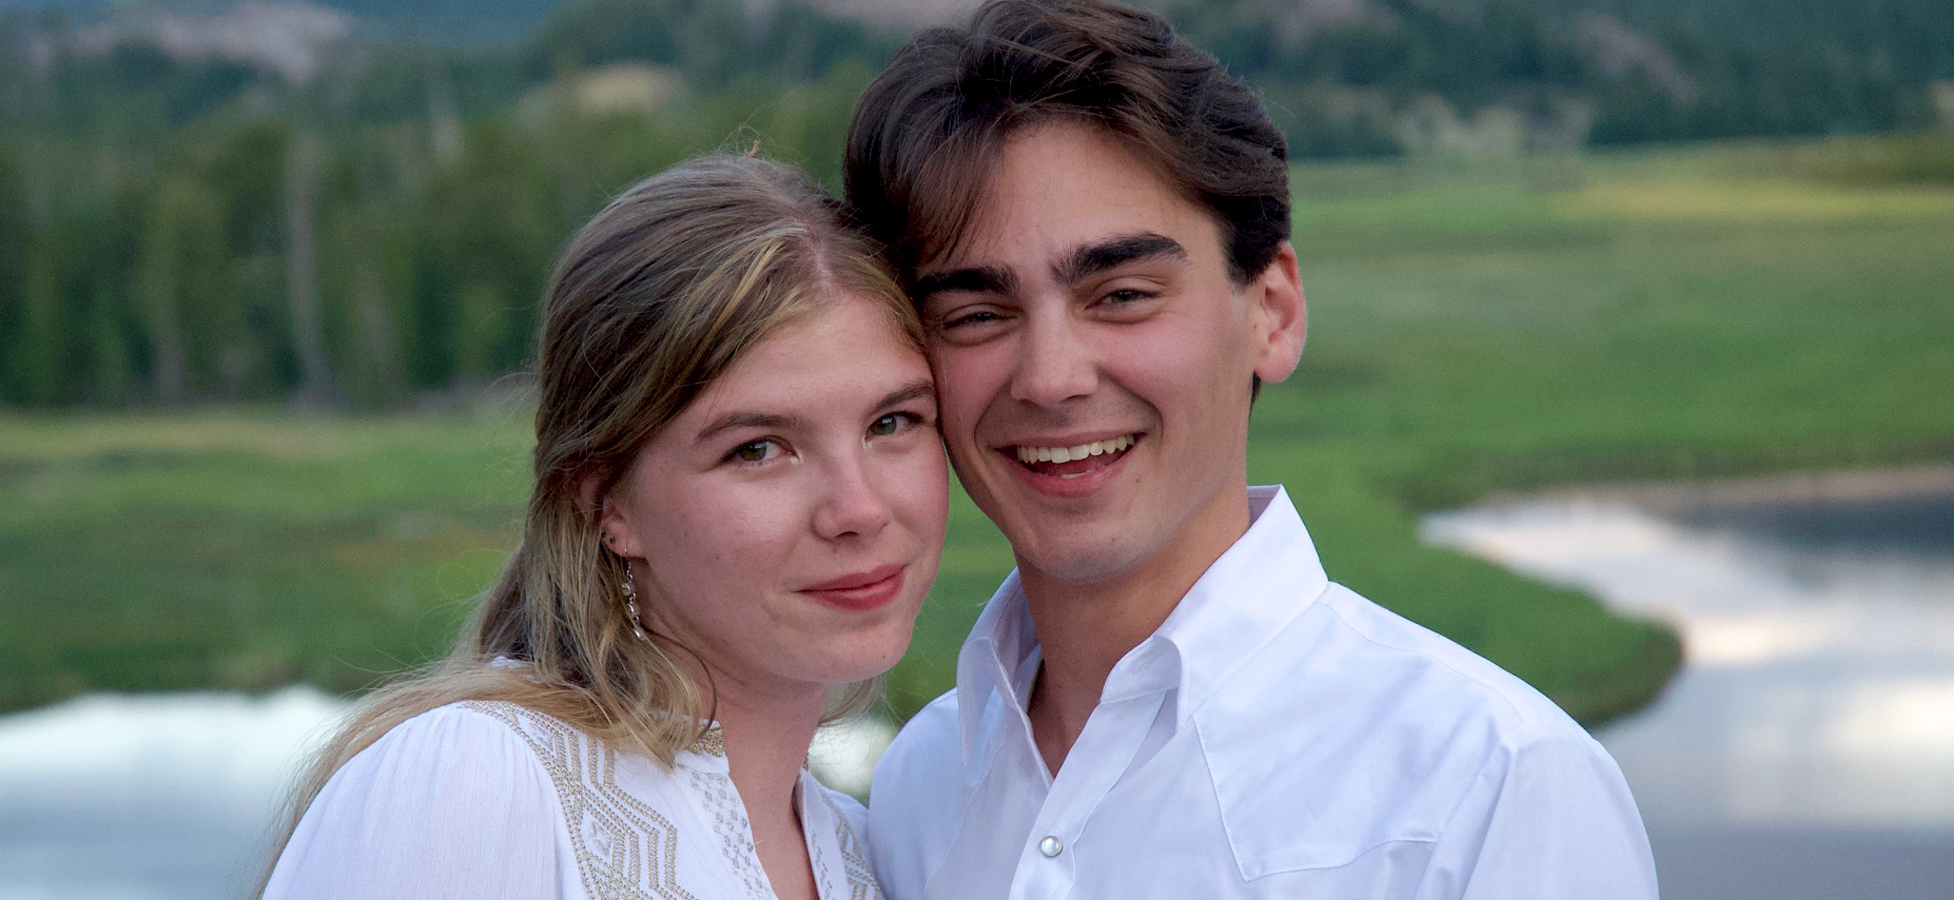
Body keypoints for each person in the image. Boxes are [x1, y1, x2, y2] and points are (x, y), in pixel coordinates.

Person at [840, 2, 1657, 898]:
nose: (1050, 378)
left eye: (1121, 295)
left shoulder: (1490, 785)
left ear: (1272, 311)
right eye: (976, 315)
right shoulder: (920, 784)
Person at [257, 154, 947, 900]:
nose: (859, 510)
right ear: (606, 503)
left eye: (892, 421)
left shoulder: (862, 856)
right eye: (757, 448)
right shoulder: (478, 785)